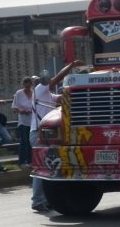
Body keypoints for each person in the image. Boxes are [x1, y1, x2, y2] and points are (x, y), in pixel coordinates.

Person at [31, 61, 82, 212]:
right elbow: (57, 79)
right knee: (40, 168)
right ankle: (37, 200)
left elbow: (61, 98)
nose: (47, 81)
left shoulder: (48, 95)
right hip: (39, 133)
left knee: (48, 167)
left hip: (48, 134)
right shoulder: (39, 90)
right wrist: (71, 66)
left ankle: (45, 199)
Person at [11, 76, 34, 168]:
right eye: (26, 86)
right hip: (23, 121)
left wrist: (31, 111)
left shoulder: (34, 93)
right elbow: (14, 106)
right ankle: (22, 161)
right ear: (24, 85)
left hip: (32, 121)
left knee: (30, 141)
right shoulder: (19, 93)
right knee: (24, 141)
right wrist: (21, 111)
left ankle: (30, 160)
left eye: (29, 86)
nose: (28, 88)